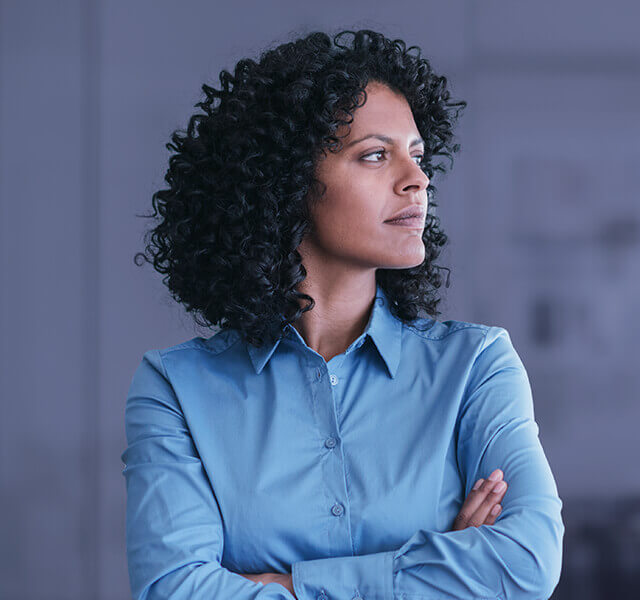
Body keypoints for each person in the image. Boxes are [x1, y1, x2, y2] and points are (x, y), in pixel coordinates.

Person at [124, 29, 564, 600]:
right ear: (287, 185)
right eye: (376, 155)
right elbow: (173, 591)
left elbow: (526, 561)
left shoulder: (475, 366)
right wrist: (444, 569)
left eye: (417, 155)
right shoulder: (175, 389)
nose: (417, 180)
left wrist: (293, 584)